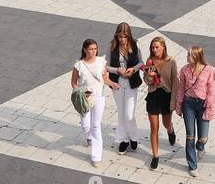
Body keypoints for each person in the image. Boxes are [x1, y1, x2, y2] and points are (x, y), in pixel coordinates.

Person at [172, 46, 215, 176]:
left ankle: (201, 146)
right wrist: (178, 105)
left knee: (203, 137)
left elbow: (210, 90)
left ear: (196, 56)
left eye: (189, 54)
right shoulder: (184, 70)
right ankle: (192, 165)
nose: (187, 56)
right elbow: (181, 89)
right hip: (189, 104)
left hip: (203, 104)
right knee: (190, 136)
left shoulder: (208, 70)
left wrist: (209, 107)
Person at [71, 39, 114, 167]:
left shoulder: (101, 61)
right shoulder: (79, 65)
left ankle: (96, 156)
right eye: (90, 49)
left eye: (95, 49)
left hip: (99, 97)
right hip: (85, 98)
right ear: (85, 49)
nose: (93, 51)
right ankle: (89, 136)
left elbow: (105, 78)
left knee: (96, 125)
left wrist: (112, 83)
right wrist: (79, 91)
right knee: (86, 126)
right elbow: (74, 82)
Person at [141, 36, 179, 170]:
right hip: (153, 95)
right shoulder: (150, 61)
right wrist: (149, 76)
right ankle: (155, 156)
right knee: (154, 127)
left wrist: (175, 101)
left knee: (165, 123)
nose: (154, 49)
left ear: (163, 47)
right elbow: (146, 80)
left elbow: (175, 83)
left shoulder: (171, 62)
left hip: (167, 96)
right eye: (152, 47)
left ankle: (170, 130)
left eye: (157, 47)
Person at [107, 23, 144, 154]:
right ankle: (123, 140)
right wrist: (117, 70)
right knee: (121, 112)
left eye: (125, 37)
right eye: (120, 37)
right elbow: (106, 66)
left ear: (129, 36)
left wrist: (133, 69)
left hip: (131, 82)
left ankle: (133, 137)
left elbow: (141, 63)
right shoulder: (112, 47)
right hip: (117, 83)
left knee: (129, 113)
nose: (122, 40)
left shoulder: (135, 45)